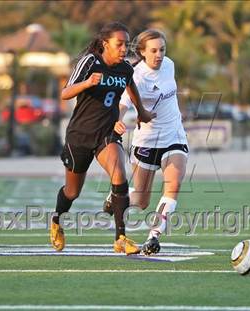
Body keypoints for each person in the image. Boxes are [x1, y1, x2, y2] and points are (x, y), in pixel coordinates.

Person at [50, 22, 155, 254]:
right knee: (72, 192)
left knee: (120, 177)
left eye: (126, 45)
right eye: (119, 44)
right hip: (80, 136)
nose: (123, 49)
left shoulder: (125, 69)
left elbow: (132, 88)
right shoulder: (90, 62)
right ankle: (57, 219)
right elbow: (65, 93)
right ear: (105, 44)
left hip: (107, 134)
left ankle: (121, 238)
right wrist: (87, 83)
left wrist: (142, 112)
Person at [104, 29, 188, 255]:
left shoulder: (169, 65)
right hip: (147, 141)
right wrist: (117, 121)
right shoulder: (136, 76)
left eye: (162, 49)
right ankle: (117, 197)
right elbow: (122, 104)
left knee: (174, 183)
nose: (159, 55)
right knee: (141, 200)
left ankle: (154, 236)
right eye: (153, 50)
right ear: (142, 52)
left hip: (174, 135)